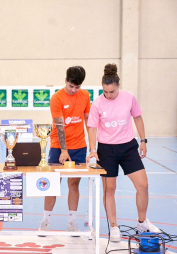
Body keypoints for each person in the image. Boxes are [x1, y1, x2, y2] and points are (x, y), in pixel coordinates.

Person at [86, 63, 160, 242]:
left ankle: (142, 222)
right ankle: (113, 226)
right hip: (106, 150)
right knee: (109, 189)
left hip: (128, 147)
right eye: (105, 92)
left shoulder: (129, 98)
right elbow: (92, 128)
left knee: (143, 185)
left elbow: (137, 117)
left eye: (111, 91)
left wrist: (143, 141)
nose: (108, 95)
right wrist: (93, 150)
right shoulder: (97, 103)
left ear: (118, 86)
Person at [39, 66, 91, 234]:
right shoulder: (57, 98)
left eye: (77, 87)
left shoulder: (85, 96)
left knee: (74, 184)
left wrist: (92, 147)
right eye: (71, 86)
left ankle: (72, 222)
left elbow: (88, 121)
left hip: (79, 147)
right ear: (65, 81)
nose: (74, 90)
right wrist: (63, 150)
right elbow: (59, 126)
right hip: (58, 147)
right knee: (53, 184)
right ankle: (45, 221)